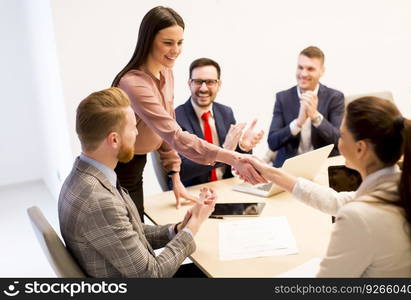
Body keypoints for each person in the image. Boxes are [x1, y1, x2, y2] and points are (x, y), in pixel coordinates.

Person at [111, 6, 264, 218]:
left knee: (137, 227)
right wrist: (232, 156)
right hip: (119, 167)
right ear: (148, 40)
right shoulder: (134, 83)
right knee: (131, 232)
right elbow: (174, 135)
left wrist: (174, 176)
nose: (176, 50)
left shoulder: (166, 72)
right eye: (167, 43)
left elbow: (164, 131)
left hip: (137, 164)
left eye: (180, 42)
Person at [247, 96, 411, 277]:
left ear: (361, 148)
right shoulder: (404, 187)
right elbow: (336, 200)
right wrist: (270, 172)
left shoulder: (358, 217)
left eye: (342, 135)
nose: (338, 141)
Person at [58, 87, 216, 277]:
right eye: (133, 127)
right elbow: (152, 275)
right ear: (114, 140)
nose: (137, 134)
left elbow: (131, 231)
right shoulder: (98, 200)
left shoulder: (84, 174)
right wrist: (193, 227)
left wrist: (177, 229)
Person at [175, 57, 264, 187]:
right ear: (189, 84)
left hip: (226, 188)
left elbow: (235, 160)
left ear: (219, 85)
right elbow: (181, 169)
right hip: (194, 191)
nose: (204, 88)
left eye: (210, 82)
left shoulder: (225, 112)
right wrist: (223, 151)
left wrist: (243, 147)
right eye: (198, 82)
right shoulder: (176, 117)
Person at [268, 46, 345, 167]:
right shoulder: (283, 98)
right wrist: (298, 123)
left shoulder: (335, 97)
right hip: (289, 168)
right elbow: (272, 142)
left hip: (323, 167)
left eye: (310, 69)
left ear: (322, 71)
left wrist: (315, 116)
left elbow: (339, 141)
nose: (303, 74)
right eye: (300, 67)